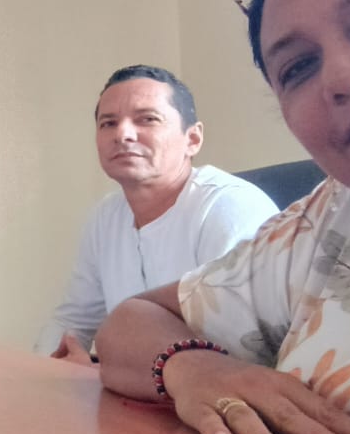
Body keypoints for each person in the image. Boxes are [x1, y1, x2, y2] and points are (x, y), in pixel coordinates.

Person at [96, 0, 350, 434]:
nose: (342, 73)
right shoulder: (330, 222)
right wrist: (192, 367)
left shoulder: (229, 206)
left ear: (194, 139)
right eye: (299, 66)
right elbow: (117, 322)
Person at [35, 65, 278, 363]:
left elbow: (244, 352)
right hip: (130, 383)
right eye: (108, 123)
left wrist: (101, 371)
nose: (122, 134)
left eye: (147, 119)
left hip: (224, 388)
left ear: (192, 139)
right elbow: (74, 320)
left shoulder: (229, 207)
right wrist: (45, 367)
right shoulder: (105, 217)